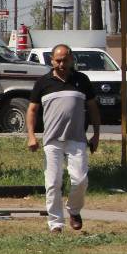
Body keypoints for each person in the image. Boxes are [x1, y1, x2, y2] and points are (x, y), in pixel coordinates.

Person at [26, 43, 101, 233]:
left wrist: (96, 134)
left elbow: (93, 108)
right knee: (53, 183)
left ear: (71, 60)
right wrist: (31, 136)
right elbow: (32, 110)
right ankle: (56, 223)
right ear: (52, 60)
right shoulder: (43, 82)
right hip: (52, 140)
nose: (61, 64)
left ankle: (74, 210)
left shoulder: (81, 80)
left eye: (65, 60)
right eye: (58, 60)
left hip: (77, 139)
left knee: (80, 180)